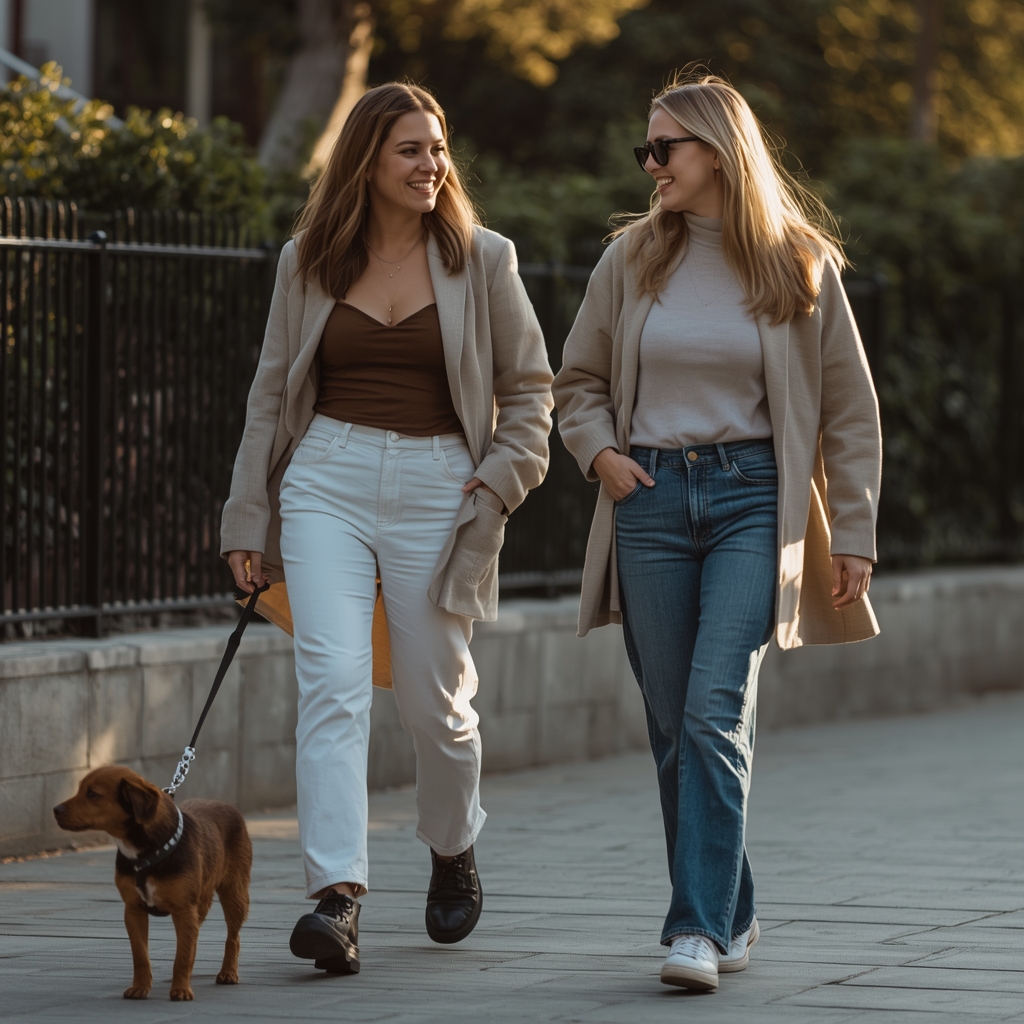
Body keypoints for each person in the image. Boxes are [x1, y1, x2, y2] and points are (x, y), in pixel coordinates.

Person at [552, 72, 881, 993]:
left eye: (664, 148)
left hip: (752, 500)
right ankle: (732, 908)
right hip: (650, 500)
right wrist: (600, 455)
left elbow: (850, 409)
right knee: (673, 725)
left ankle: (694, 928)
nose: (650, 165)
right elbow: (576, 382)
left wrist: (854, 529)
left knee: (710, 709)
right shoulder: (629, 260)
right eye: (646, 150)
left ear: (719, 152)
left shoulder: (799, 261)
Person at [221, 82, 553, 976]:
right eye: (411, 149)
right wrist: (247, 515)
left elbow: (531, 395)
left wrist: (498, 483)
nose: (432, 164)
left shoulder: (484, 259)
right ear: (366, 160)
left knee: (435, 702)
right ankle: (337, 897)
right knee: (331, 683)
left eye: (438, 147)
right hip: (325, 476)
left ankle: (452, 843)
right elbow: (269, 396)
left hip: (442, 485)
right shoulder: (309, 260)